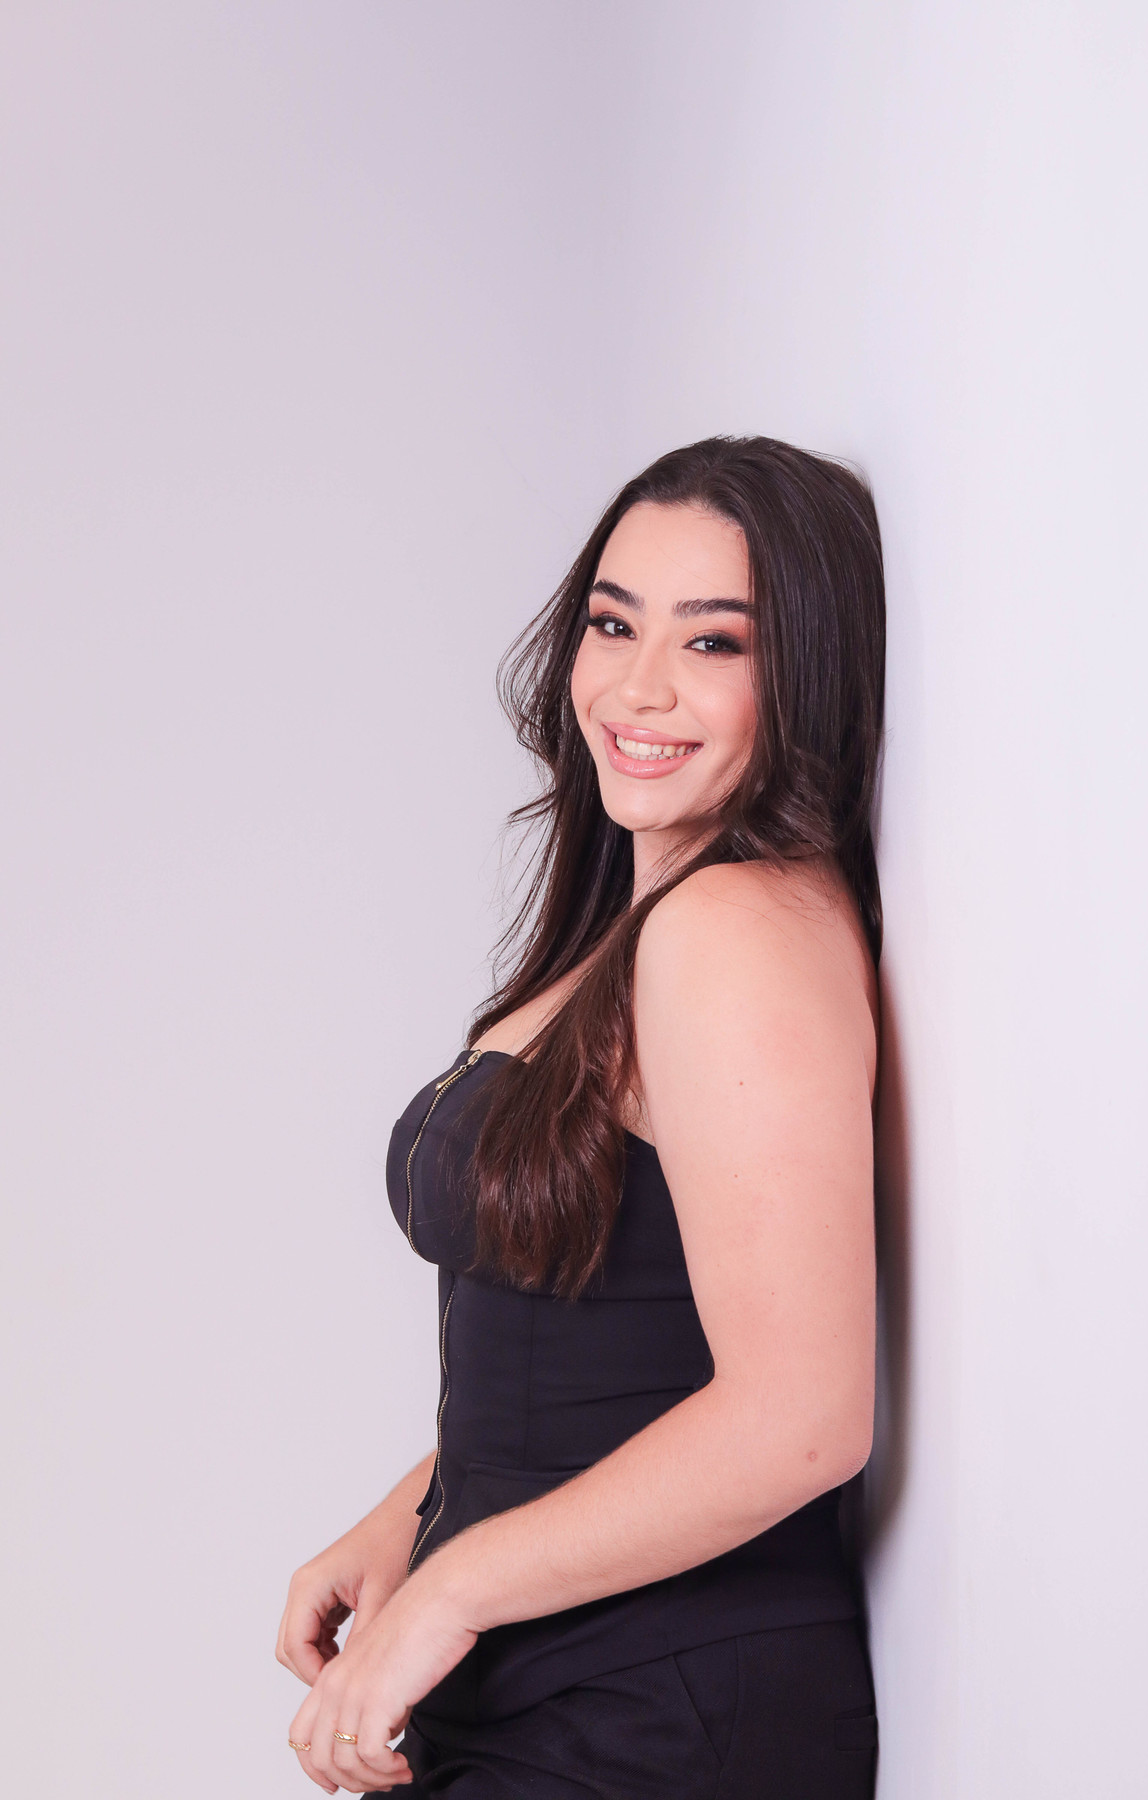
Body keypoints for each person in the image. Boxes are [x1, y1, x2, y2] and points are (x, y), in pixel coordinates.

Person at [276, 435, 885, 1797]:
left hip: (658, 1708)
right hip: (553, 1683)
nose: (638, 686)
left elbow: (802, 1414)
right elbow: (608, 1345)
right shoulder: (643, 924)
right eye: (614, 624)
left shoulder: (735, 932)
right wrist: (413, 1523)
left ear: (807, 676)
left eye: (715, 642)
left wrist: (456, 1587)